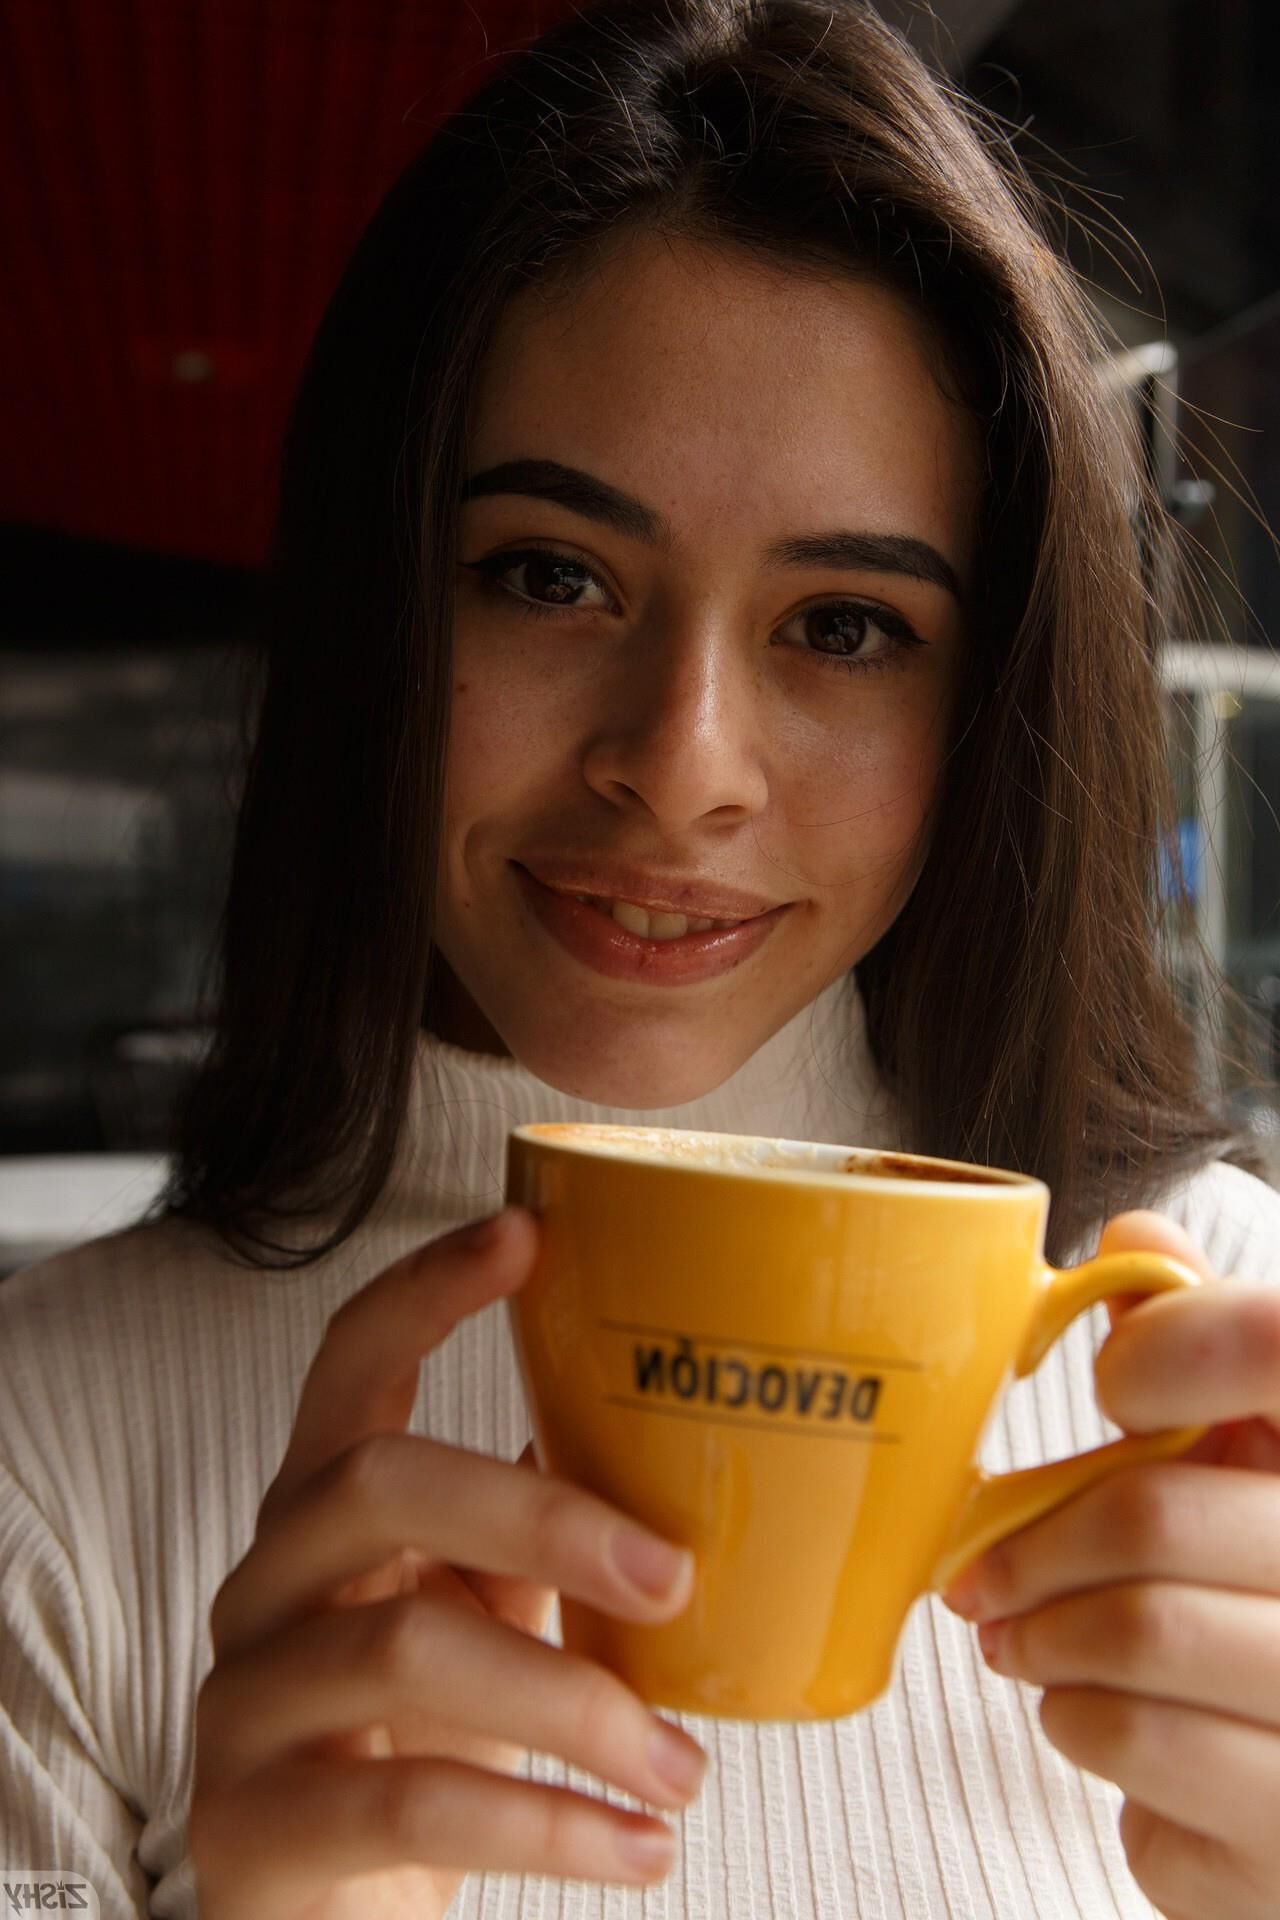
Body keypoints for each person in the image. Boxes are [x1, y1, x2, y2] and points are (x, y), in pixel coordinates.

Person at [3, 0, 1279, 1914]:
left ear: (992, 714)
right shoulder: (40, 1449)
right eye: (549, 575)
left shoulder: (1228, 1363)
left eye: (846, 625)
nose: (681, 769)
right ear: (378, 616)